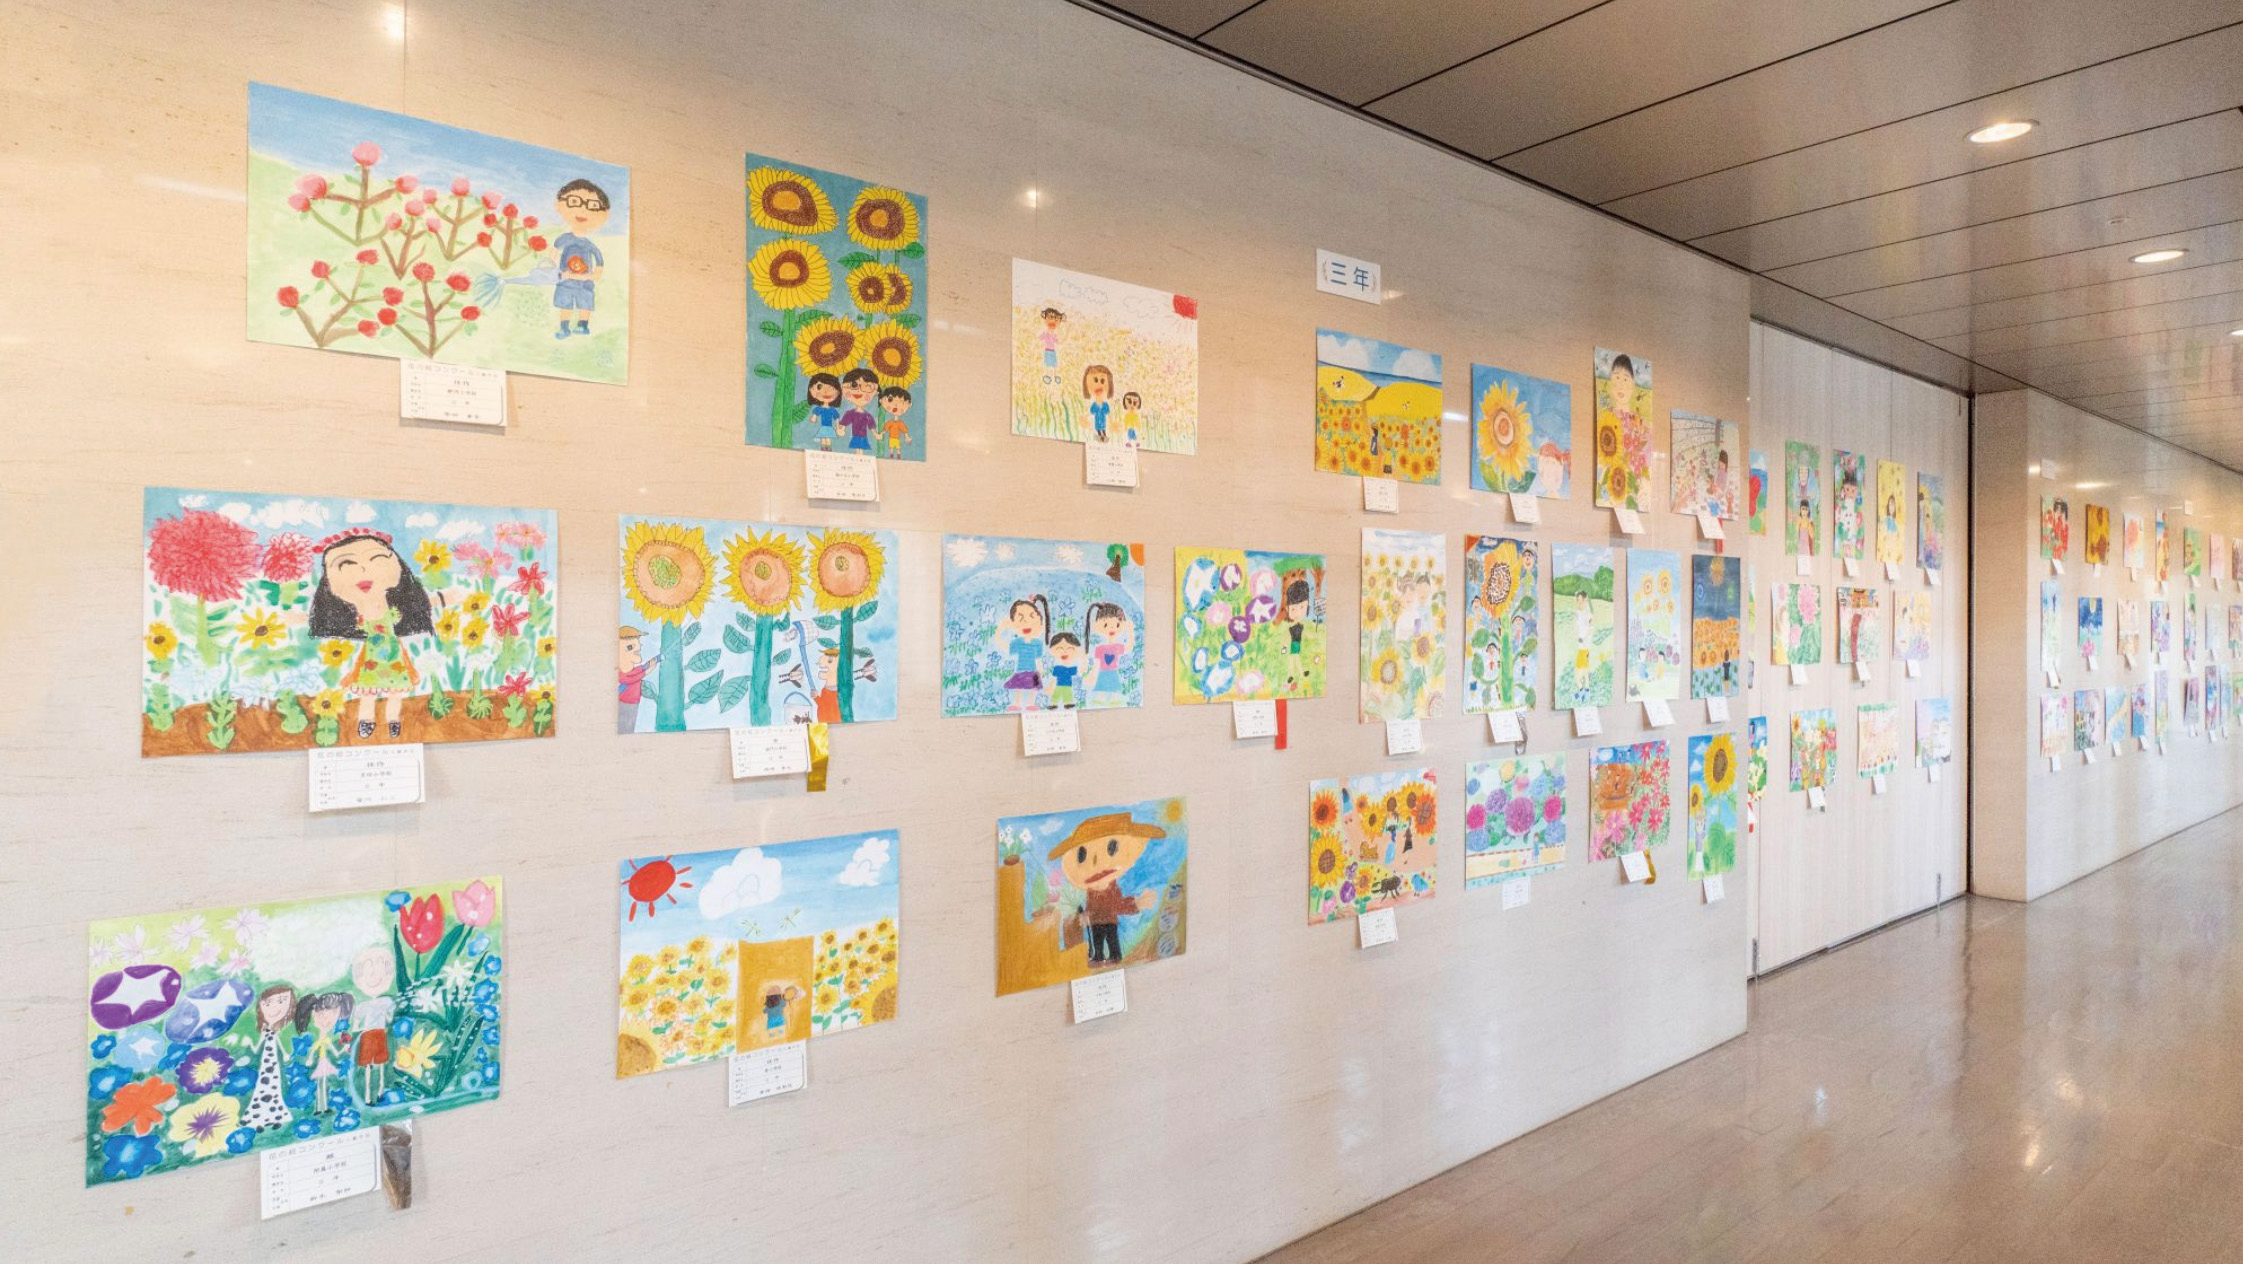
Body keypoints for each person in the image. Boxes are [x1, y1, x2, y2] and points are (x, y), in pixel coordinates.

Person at [308, 530, 436, 741]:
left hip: (393, 661)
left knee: (395, 693)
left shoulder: (398, 611)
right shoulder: (349, 620)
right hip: (372, 662)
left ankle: (393, 721)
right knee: (368, 693)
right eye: (346, 564)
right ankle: (366, 721)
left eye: (376, 559)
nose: (363, 570)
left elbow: (428, 605)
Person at [1049, 811, 1165, 966]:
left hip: (1110, 921)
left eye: (1112, 847)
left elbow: (1118, 905)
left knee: (1112, 941)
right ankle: (1098, 958)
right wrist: (1086, 916)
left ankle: (1114, 957)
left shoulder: (1112, 888)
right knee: (1097, 943)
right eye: (1081, 855)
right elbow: (1092, 906)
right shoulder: (1091, 891)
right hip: (1096, 921)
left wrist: (1136, 903)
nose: (1096, 861)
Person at [546, 178, 610, 339]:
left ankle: (583, 327)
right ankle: (564, 328)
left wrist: (588, 277)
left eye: (592, 205)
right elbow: (552, 256)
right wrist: (556, 272)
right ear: (559, 205)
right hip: (565, 282)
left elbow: (599, 266)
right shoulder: (563, 239)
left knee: (585, 304)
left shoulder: (591, 246)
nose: (583, 210)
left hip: (584, 284)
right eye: (575, 201)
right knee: (565, 304)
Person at [242, 984, 298, 1133]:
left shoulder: (277, 1031)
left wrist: (285, 1054)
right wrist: (250, 1044)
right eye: (267, 1004)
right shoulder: (264, 1030)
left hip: (273, 1065)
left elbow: (279, 1044)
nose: (274, 1008)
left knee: (274, 1089)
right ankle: (258, 1120)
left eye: (281, 1002)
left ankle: (276, 1117)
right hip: (265, 1065)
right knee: (262, 1089)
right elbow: (257, 1048)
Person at [349, 946, 395, 1107]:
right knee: (369, 1066)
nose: (375, 977)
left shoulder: (386, 1001)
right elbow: (356, 1024)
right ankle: (369, 1096)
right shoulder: (363, 1006)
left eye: (381, 973)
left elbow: (389, 1018)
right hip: (369, 1035)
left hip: (378, 1034)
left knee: (380, 1064)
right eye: (370, 973)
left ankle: (380, 1092)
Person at [298, 991, 352, 1115]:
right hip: (321, 1064)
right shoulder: (319, 1041)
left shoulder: (327, 1040)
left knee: (323, 1084)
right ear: (314, 1014)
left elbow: (335, 1053)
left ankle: (324, 1107)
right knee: (320, 1084)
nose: (326, 1020)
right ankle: (319, 1107)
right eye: (321, 1014)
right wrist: (310, 1059)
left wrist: (343, 1050)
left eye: (333, 1015)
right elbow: (313, 1051)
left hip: (325, 1063)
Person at [999, 597, 1049, 712]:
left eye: (1031, 617)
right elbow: (1006, 648)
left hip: (1033, 670)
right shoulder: (1017, 642)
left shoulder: (1038, 643)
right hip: (1021, 669)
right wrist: (999, 630)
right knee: (1019, 687)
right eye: (1020, 619)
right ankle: (1017, 703)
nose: (1026, 622)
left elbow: (1038, 658)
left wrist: (1040, 668)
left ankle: (1031, 703)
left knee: (1033, 688)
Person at [1085, 601, 1134, 707]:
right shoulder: (1100, 648)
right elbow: (1096, 664)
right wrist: (1092, 675)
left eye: (1117, 625)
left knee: (1114, 692)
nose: (1111, 629)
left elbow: (1129, 647)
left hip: (1113, 673)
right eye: (1106, 625)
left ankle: (1113, 700)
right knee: (1101, 692)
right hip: (1102, 673)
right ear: (1096, 625)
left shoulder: (1117, 647)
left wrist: (1131, 632)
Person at [617, 627, 660, 733]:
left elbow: (638, 670)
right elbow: (633, 678)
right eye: (630, 647)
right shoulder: (621, 675)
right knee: (625, 728)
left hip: (634, 703)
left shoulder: (631, 671)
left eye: (638, 643)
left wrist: (651, 664)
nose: (639, 647)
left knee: (629, 727)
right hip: (625, 704)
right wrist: (646, 670)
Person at [1278, 576, 1314, 691]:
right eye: (1293, 609)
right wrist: (1284, 648)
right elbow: (1285, 638)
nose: (1298, 612)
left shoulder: (1301, 625)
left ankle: (1294, 674)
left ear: (1307, 606)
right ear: (1288, 609)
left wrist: (1312, 636)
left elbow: (1306, 633)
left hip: (1297, 646)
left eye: (1302, 607)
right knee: (1294, 659)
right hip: (1293, 646)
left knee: (1294, 659)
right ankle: (1297, 674)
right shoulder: (1291, 627)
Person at [838, 369, 879, 452]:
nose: (859, 390)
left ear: (875, 392)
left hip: (864, 437)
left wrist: (875, 434)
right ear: (843, 388)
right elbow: (845, 422)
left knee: (861, 450)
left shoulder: (867, 416)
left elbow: (871, 426)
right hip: (855, 436)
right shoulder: (850, 413)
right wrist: (841, 429)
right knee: (857, 450)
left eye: (867, 387)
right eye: (854, 385)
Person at [804, 373, 843, 452]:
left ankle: (828, 450)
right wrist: (814, 418)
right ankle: (823, 450)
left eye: (831, 388)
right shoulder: (819, 409)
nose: (825, 391)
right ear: (811, 389)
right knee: (823, 439)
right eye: (819, 387)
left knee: (828, 439)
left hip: (829, 427)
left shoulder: (832, 410)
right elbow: (815, 415)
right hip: (823, 427)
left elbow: (836, 418)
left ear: (838, 392)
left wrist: (838, 427)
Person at [1046, 632, 1085, 708]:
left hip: (1068, 685)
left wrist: (1084, 660)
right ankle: (1053, 704)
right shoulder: (1057, 667)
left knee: (1068, 694)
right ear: (1052, 650)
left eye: (1070, 649)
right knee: (1056, 694)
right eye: (1059, 648)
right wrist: (1050, 686)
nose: (1065, 652)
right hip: (1059, 685)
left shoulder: (1072, 668)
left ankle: (1068, 704)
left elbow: (1080, 672)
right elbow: (1053, 678)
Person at [1083, 364, 1114, 443]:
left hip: (1103, 422)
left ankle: (1104, 436)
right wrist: (1085, 417)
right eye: (1095, 380)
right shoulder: (1094, 405)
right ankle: (1100, 436)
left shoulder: (1105, 405)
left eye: (1102, 381)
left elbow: (1108, 413)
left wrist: (1112, 422)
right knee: (1098, 430)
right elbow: (1091, 412)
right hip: (1097, 422)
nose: (1098, 385)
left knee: (1103, 429)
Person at [878, 386, 912, 457]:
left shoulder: (900, 423)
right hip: (891, 438)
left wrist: (907, 437)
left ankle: (898, 454)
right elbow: (886, 429)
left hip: (897, 438)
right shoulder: (890, 422)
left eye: (901, 402)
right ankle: (891, 454)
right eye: (890, 400)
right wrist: (881, 434)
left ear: (909, 404)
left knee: (898, 447)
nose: (896, 405)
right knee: (891, 447)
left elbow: (904, 431)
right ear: (881, 401)